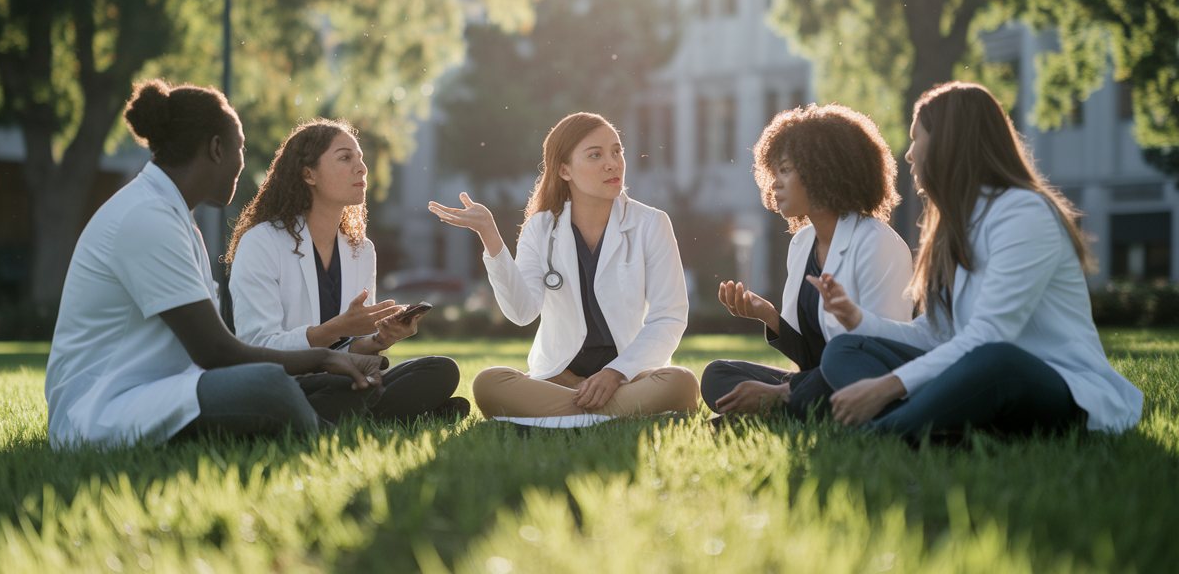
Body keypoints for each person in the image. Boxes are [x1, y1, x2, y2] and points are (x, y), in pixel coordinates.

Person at [45, 80, 382, 449]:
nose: (242, 162)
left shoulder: (174, 218)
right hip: (102, 410)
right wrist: (324, 359)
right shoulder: (146, 217)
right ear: (217, 148)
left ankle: (339, 408)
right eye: (241, 148)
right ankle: (333, 435)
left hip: (166, 391)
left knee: (309, 381)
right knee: (268, 387)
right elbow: (217, 352)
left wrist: (334, 363)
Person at [813, 82, 1143, 439]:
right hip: (977, 374)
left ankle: (884, 432)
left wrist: (887, 386)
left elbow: (989, 336)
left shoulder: (1023, 212)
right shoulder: (954, 225)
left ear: (948, 143)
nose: (908, 155)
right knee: (846, 347)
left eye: (916, 138)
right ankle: (937, 429)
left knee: (996, 361)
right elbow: (936, 333)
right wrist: (859, 320)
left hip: (1054, 385)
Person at [429, 112, 700, 426]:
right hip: (561, 378)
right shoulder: (540, 228)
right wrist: (490, 236)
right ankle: (609, 415)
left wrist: (614, 374)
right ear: (564, 170)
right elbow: (521, 312)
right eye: (595, 155)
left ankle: (569, 417)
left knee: (682, 382)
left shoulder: (651, 223)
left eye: (616, 151)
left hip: (630, 376)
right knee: (489, 383)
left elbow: (670, 315)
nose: (613, 163)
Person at [226, 118, 466, 422]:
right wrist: (336, 328)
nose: (362, 168)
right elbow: (258, 347)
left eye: (361, 159)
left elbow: (353, 349)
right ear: (308, 174)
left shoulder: (361, 250)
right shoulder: (261, 242)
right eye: (345, 158)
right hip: (284, 383)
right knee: (347, 389)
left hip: (343, 380)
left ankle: (363, 412)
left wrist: (380, 340)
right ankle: (394, 414)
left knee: (441, 369)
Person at [702, 104, 914, 421]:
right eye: (773, 171)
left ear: (822, 170)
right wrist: (769, 317)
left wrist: (784, 391)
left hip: (865, 382)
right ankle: (787, 407)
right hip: (816, 380)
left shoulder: (877, 243)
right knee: (717, 374)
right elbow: (809, 356)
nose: (774, 183)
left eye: (785, 170)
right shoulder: (802, 243)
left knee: (838, 368)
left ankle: (779, 406)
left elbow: (880, 356)